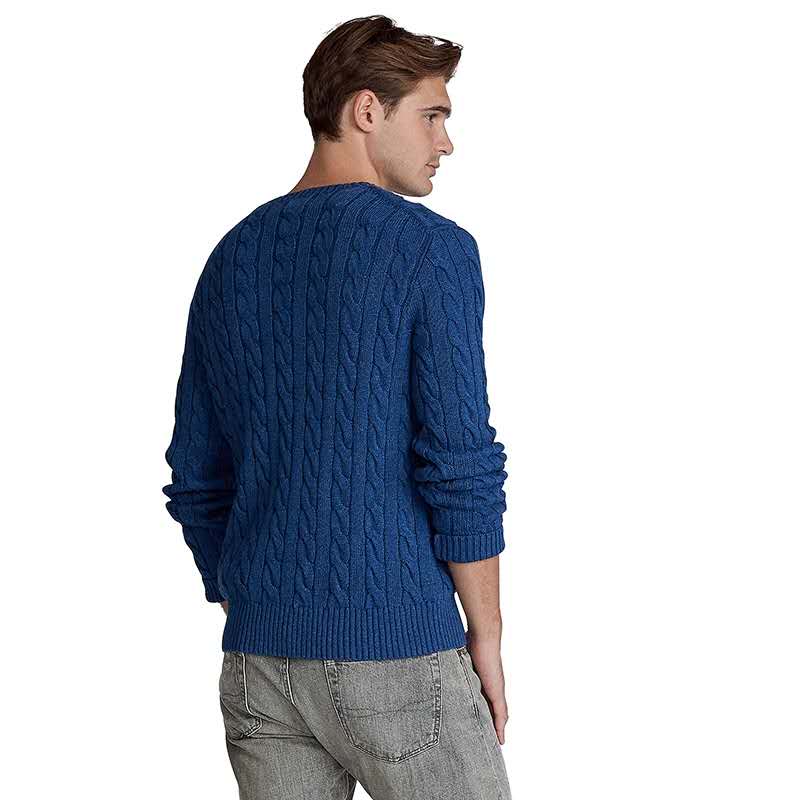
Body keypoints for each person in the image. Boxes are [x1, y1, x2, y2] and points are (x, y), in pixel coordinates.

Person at [162, 14, 512, 800]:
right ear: (366, 110)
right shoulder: (432, 250)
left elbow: (197, 476)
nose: (446, 142)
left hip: (259, 664)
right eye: (432, 115)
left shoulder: (231, 258)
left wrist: (254, 595)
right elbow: (459, 463)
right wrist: (486, 638)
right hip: (399, 652)